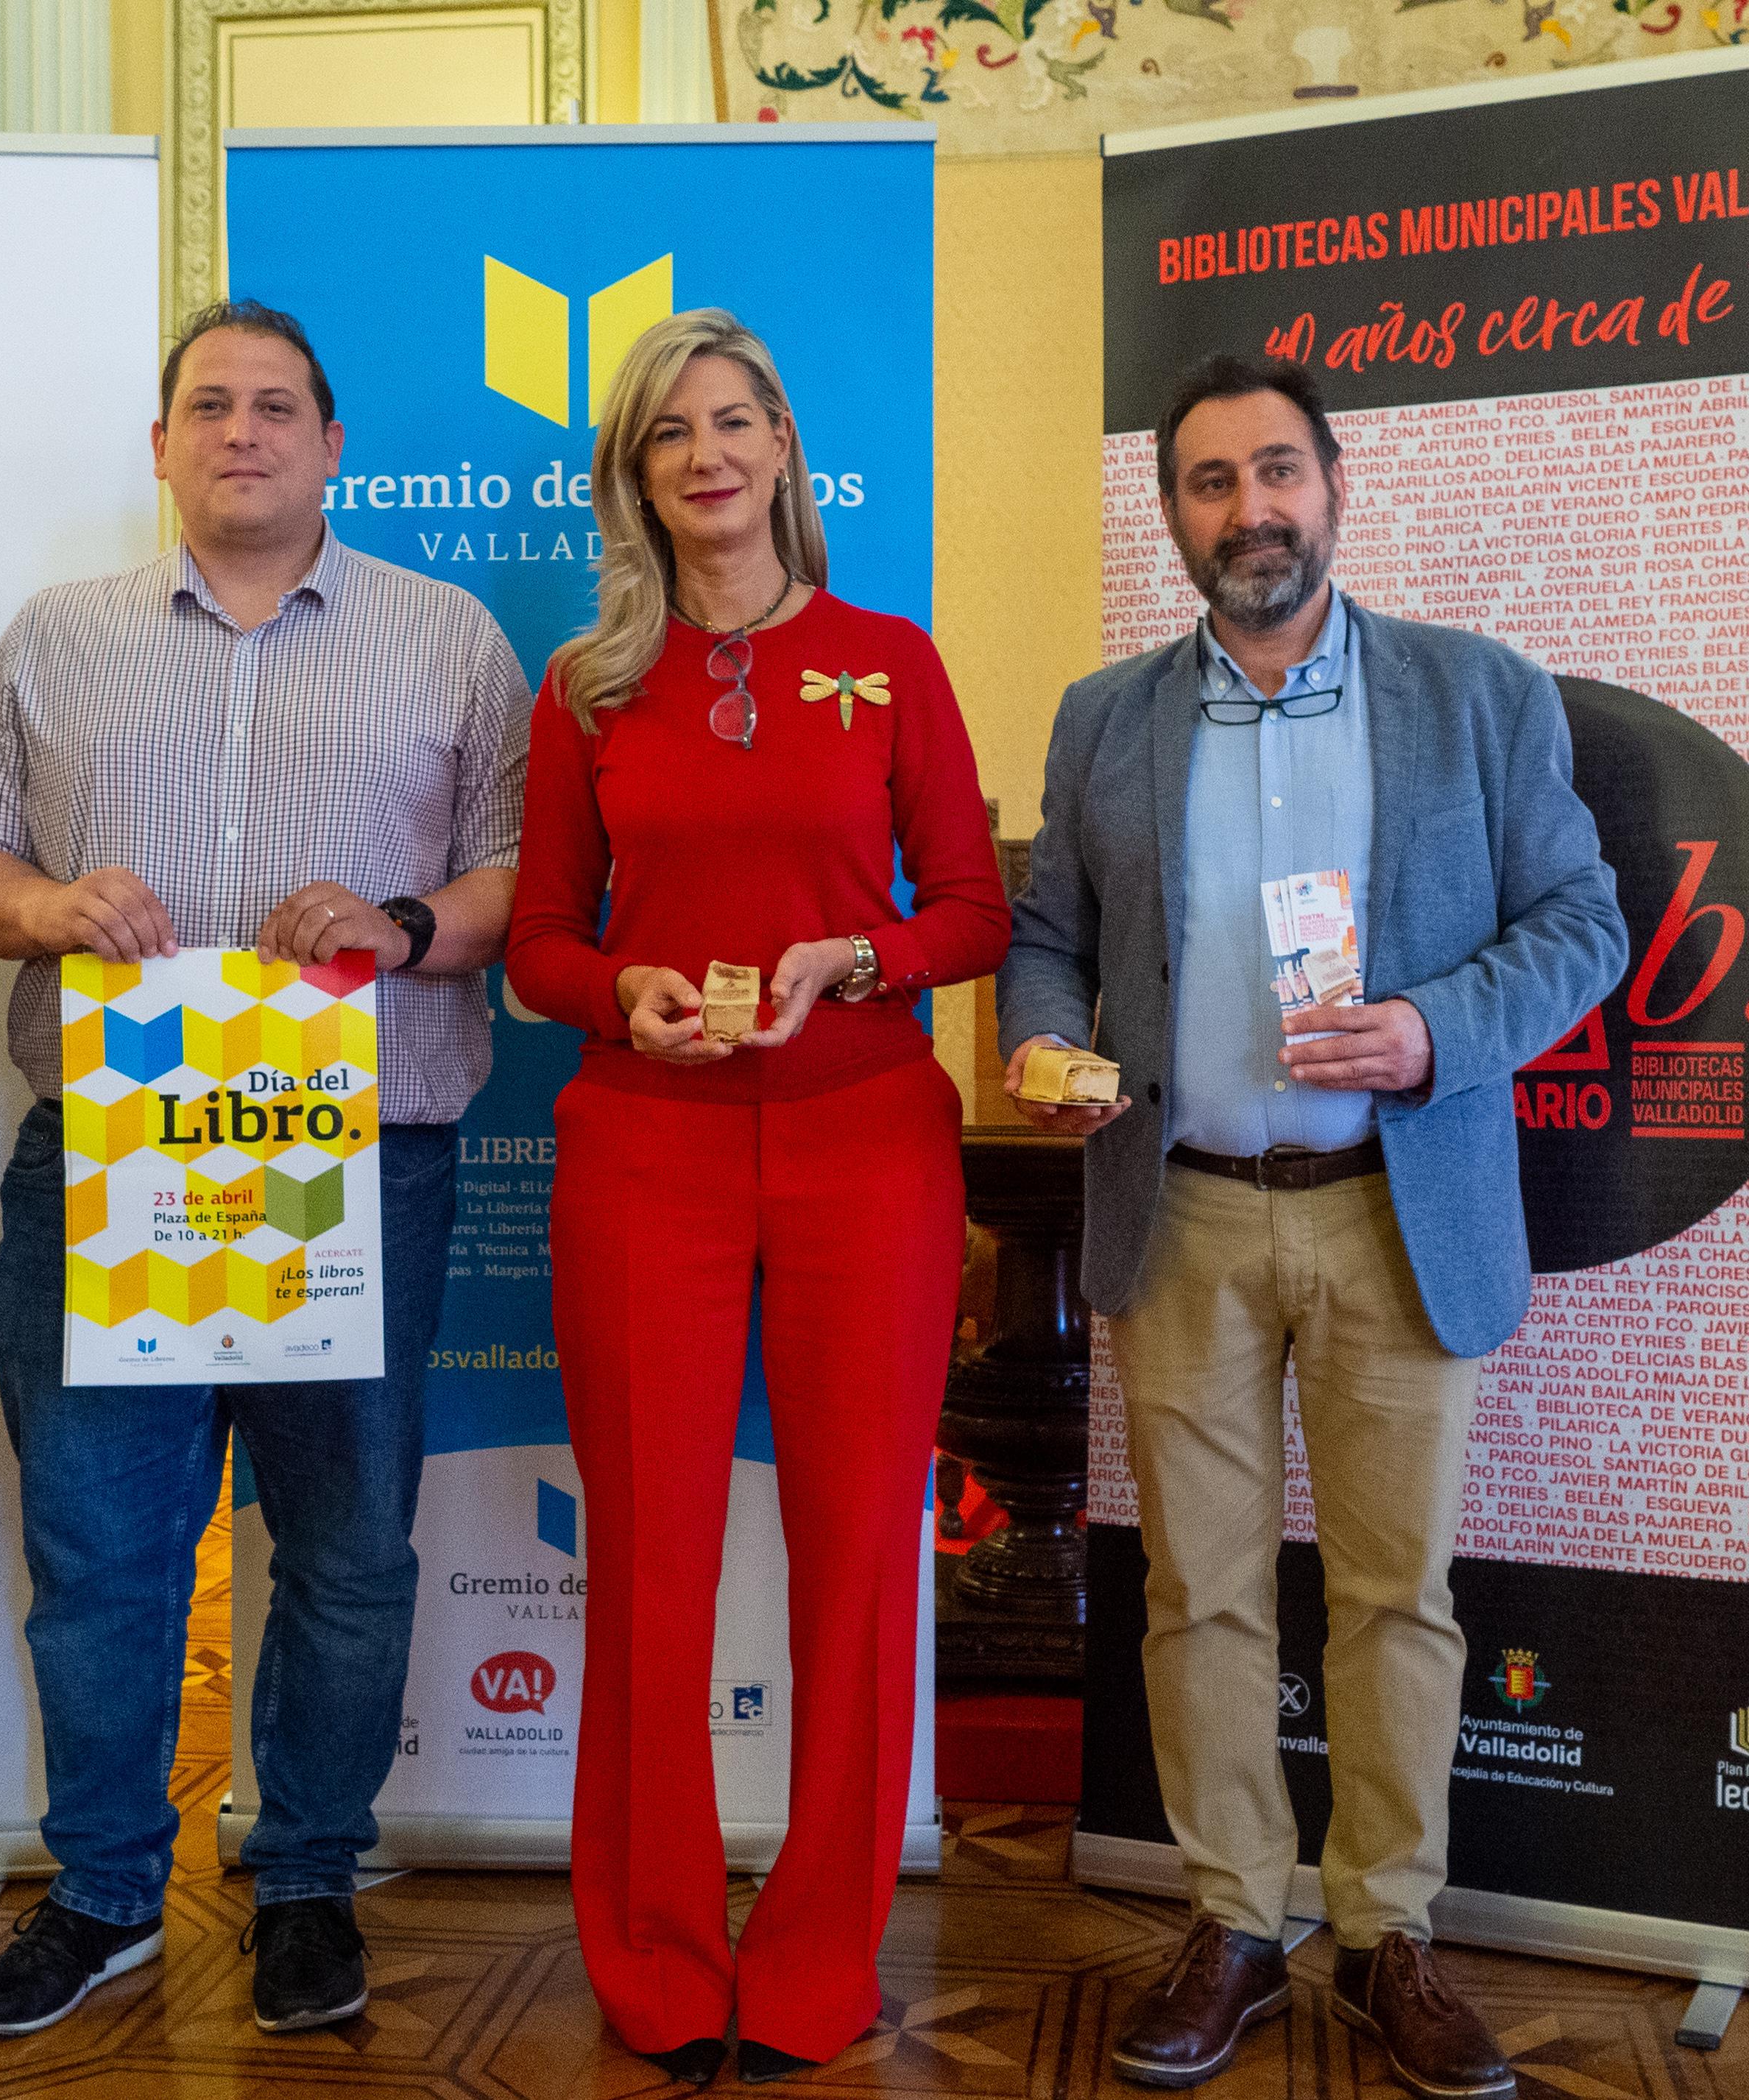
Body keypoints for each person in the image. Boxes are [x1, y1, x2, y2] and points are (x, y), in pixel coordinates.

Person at [997, 353, 1625, 2099]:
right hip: (1182, 1212)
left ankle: (1390, 1927)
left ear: (1334, 488)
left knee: (1393, 1593)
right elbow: (1047, 933)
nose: (1250, 508)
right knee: (1197, 1592)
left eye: (1278, 471)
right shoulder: (1104, 716)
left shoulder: (1478, 694)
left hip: (1390, 1212)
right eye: (1211, 481)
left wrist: (1435, 1028)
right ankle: (1234, 1920)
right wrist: (1039, 1039)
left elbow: (1583, 921)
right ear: (1172, 512)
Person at [0, 299, 531, 2040]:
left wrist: (401, 924)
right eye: (209, 405)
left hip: (357, 1165)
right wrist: (47, 907)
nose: (242, 432)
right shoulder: (63, 635)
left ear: (333, 445)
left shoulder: (448, 636)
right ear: (161, 444)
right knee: (103, 1549)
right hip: (113, 1163)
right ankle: (105, 1889)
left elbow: (518, 872)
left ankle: (310, 1875)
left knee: (346, 1545)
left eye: (276, 407)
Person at [506, 308, 1011, 2088]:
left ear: (784, 446)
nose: (706, 455)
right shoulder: (588, 687)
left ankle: (812, 1956)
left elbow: (974, 908)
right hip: (645, 1146)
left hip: (868, 1142)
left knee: (859, 1550)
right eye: (669, 433)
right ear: (634, 477)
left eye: (732, 422)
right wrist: (618, 988)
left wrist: (859, 960)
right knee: (649, 1556)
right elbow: (542, 941)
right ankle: (655, 1954)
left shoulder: (889, 659)